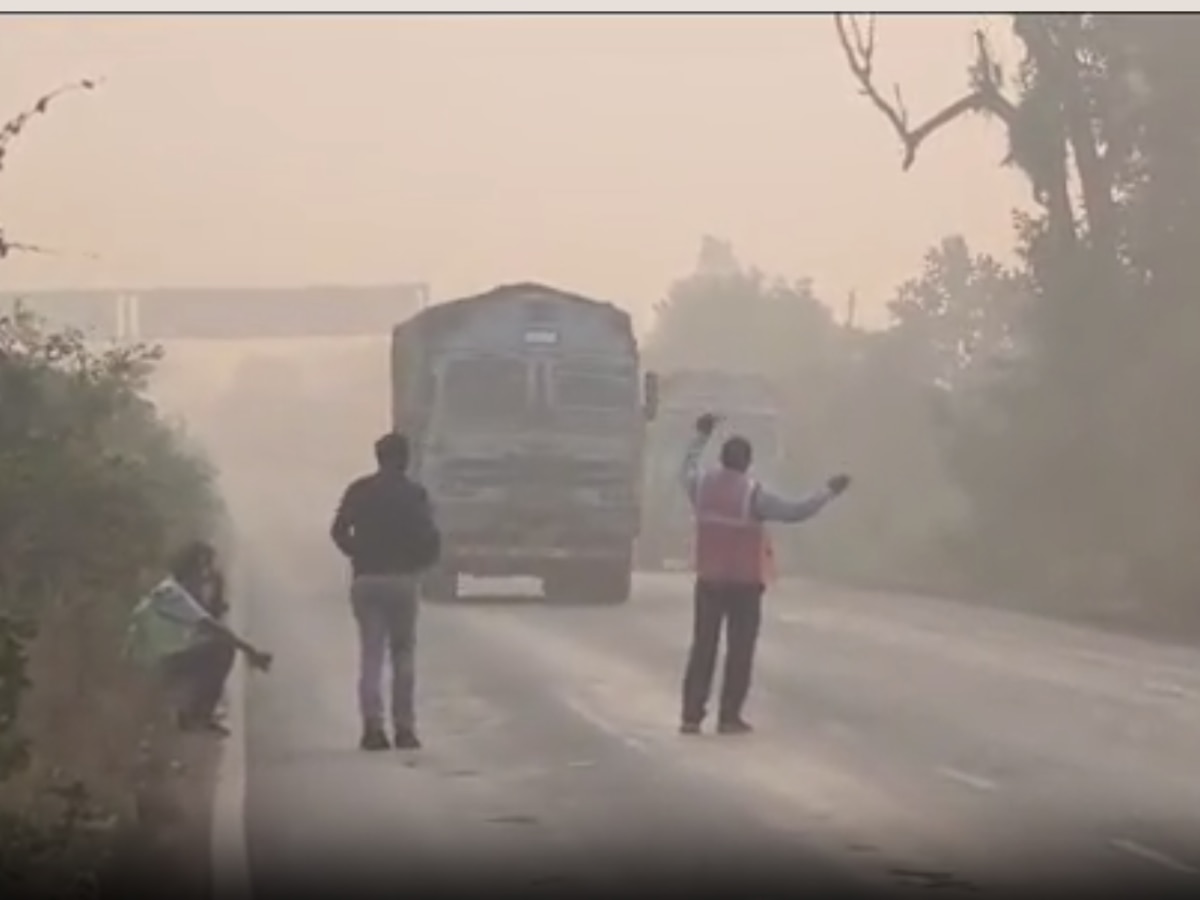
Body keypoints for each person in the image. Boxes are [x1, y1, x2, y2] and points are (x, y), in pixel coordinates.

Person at [678, 413, 851, 736]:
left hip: (709, 581)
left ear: (722, 459)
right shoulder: (752, 495)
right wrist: (828, 491)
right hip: (744, 585)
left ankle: (691, 715)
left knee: (703, 648)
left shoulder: (701, 487)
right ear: (747, 463)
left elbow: (685, 467)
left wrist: (700, 434)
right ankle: (729, 718)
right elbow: (796, 511)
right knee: (739, 651)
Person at [330, 431, 441, 752]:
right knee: (403, 655)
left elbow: (338, 530)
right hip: (403, 580)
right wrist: (420, 564)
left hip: (367, 580)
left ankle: (372, 730)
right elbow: (431, 538)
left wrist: (357, 554)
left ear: (378, 457)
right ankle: (405, 729)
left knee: (371, 655)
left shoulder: (359, 491)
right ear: (405, 459)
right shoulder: (415, 495)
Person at [126, 540, 272, 736]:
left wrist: (217, 594)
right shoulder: (176, 595)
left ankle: (191, 709)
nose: (206, 575)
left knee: (213, 645)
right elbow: (212, 628)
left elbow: (208, 619)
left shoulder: (174, 588)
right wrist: (250, 651)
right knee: (221, 650)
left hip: (153, 653)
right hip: (151, 660)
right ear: (189, 568)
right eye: (203, 568)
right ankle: (198, 715)